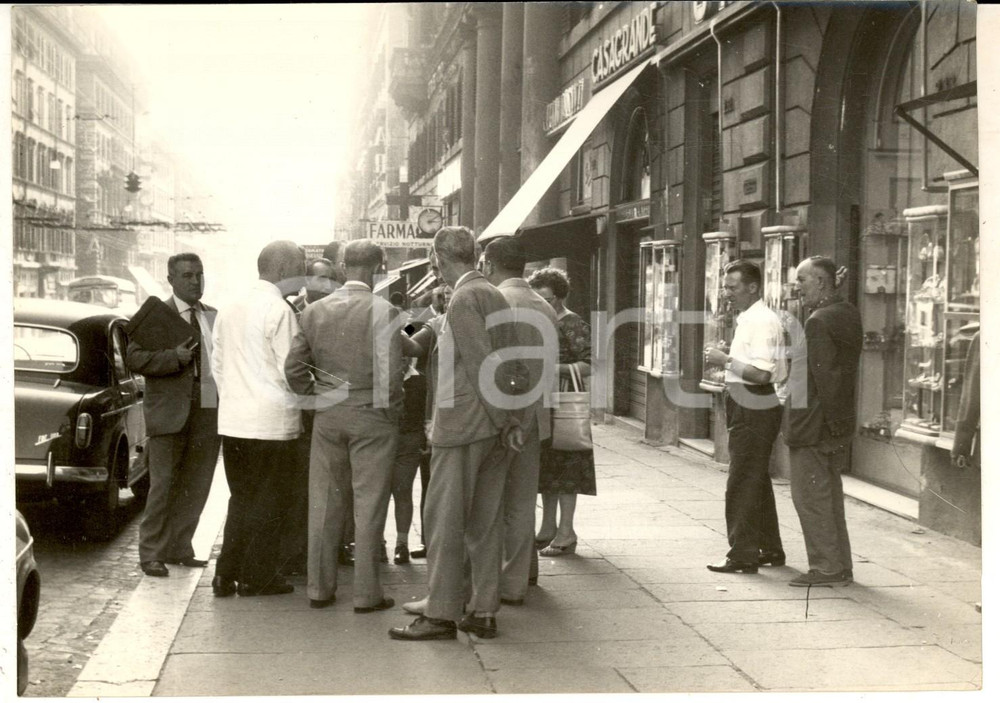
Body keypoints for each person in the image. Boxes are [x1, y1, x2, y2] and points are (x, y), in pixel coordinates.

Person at [389, 226, 522, 642]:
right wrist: (509, 421)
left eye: (433, 261)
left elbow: (482, 364)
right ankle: (482, 611)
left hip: (464, 425)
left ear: (439, 259)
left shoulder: (464, 298)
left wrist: (504, 422)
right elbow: (504, 364)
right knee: (484, 524)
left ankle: (441, 614)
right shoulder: (489, 293)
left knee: (444, 522)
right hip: (489, 427)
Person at [285, 239, 403, 612]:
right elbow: (393, 374)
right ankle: (367, 593)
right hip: (372, 414)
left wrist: (315, 398)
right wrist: (390, 412)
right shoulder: (384, 310)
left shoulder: (315, 311)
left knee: (324, 503)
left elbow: (293, 367)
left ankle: (319, 588)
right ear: (378, 268)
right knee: (368, 505)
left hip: (328, 414)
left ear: (341, 268)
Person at [211, 241, 305, 597]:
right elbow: (291, 369)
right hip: (272, 422)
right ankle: (257, 576)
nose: (304, 275)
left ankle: (225, 574)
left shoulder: (229, 307)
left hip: (235, 420)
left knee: (242, 498)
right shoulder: (280, 310)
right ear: (282, 269)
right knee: (271, 501)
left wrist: (238, 395)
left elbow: (217, 366)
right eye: (301, 267)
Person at [126, 252, 221, 578]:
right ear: (171, 280)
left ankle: (181, 546)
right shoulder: (158, 314)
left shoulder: (212, 316)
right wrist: (173, 358)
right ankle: (151, 552)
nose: (195, 281)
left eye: (199, 274)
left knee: (197, 483)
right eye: (187, 276)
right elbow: (134, 358)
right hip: (169, 413)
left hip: (208, 411)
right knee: (163, 485)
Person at [482, 237, 559, 605]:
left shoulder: (495, 301)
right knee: (524, 499)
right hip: (536, 415)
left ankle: (504, 583)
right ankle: (524, 573)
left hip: (500, 416)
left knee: (495, 501)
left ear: (489, 263)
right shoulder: (544, 305)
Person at [783, 255, 862, 587]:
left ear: (820, 282)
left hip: (813, 424)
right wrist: (841, 424)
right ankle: (839, 563)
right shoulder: (846, 313)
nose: (796, 287)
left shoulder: (818, 321)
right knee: (828, 497)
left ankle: (826, 566)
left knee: (810, 498)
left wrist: (827, 424)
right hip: (831, 422)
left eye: (802, 280)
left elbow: (825, 377)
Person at [704, 260, 787, 574]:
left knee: (741, 479)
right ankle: (769, 548)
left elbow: (762, 374)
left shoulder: (761, 321)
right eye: (725, 287)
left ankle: (742, 554)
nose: (727, 293)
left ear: (753, 287)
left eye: (733, 287)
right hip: (746, 401)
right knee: (755, 478)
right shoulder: (750, 318)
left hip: (754, 402)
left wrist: (725, 359)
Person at [279, 256, 343, 577]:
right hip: (308, 414)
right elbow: (293, 366)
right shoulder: (297, 314)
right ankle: (299, 551)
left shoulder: (340, 311)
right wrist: (312, 400)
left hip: (335, 412)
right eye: (318, 279)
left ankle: (334, 547)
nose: (324, 285)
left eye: (329, 279)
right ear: (306, 282)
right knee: (303, 486)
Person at [528, 267, 595, 557]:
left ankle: (566, 531)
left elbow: (589, 364)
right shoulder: (540, 321)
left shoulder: (572, 323)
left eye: (548, 298)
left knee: (567, 467)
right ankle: (548, 526)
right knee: (547, 467)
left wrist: (551, 369)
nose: (544, 304)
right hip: (543, 402)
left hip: (566, 403)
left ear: (559, 297)